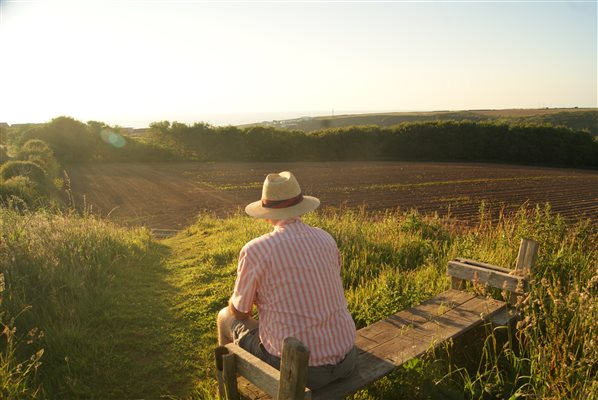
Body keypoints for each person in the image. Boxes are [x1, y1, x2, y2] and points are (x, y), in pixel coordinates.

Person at [217, 171, 357, 389]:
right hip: (348, 359)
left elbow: (241, 312)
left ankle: (230, 386)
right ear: (300, 207)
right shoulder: (326, 238)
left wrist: (244, 300)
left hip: (302, 373)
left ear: (267, 211)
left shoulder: (256, 250)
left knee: (224, 316)